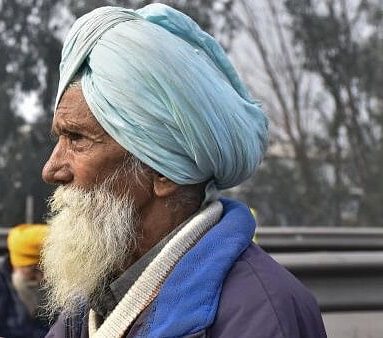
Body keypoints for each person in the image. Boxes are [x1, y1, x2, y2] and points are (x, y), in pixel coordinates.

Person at [40, 3, 327, 338]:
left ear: (162, 172)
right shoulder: (90, 301)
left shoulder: (263, 314)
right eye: (60, 137)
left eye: (76, 139)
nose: (51, 169)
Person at [0, 224, 52, 338]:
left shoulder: (60, 288)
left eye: (49, 270)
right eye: (34, 270)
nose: (43, 278)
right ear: (16, 264)